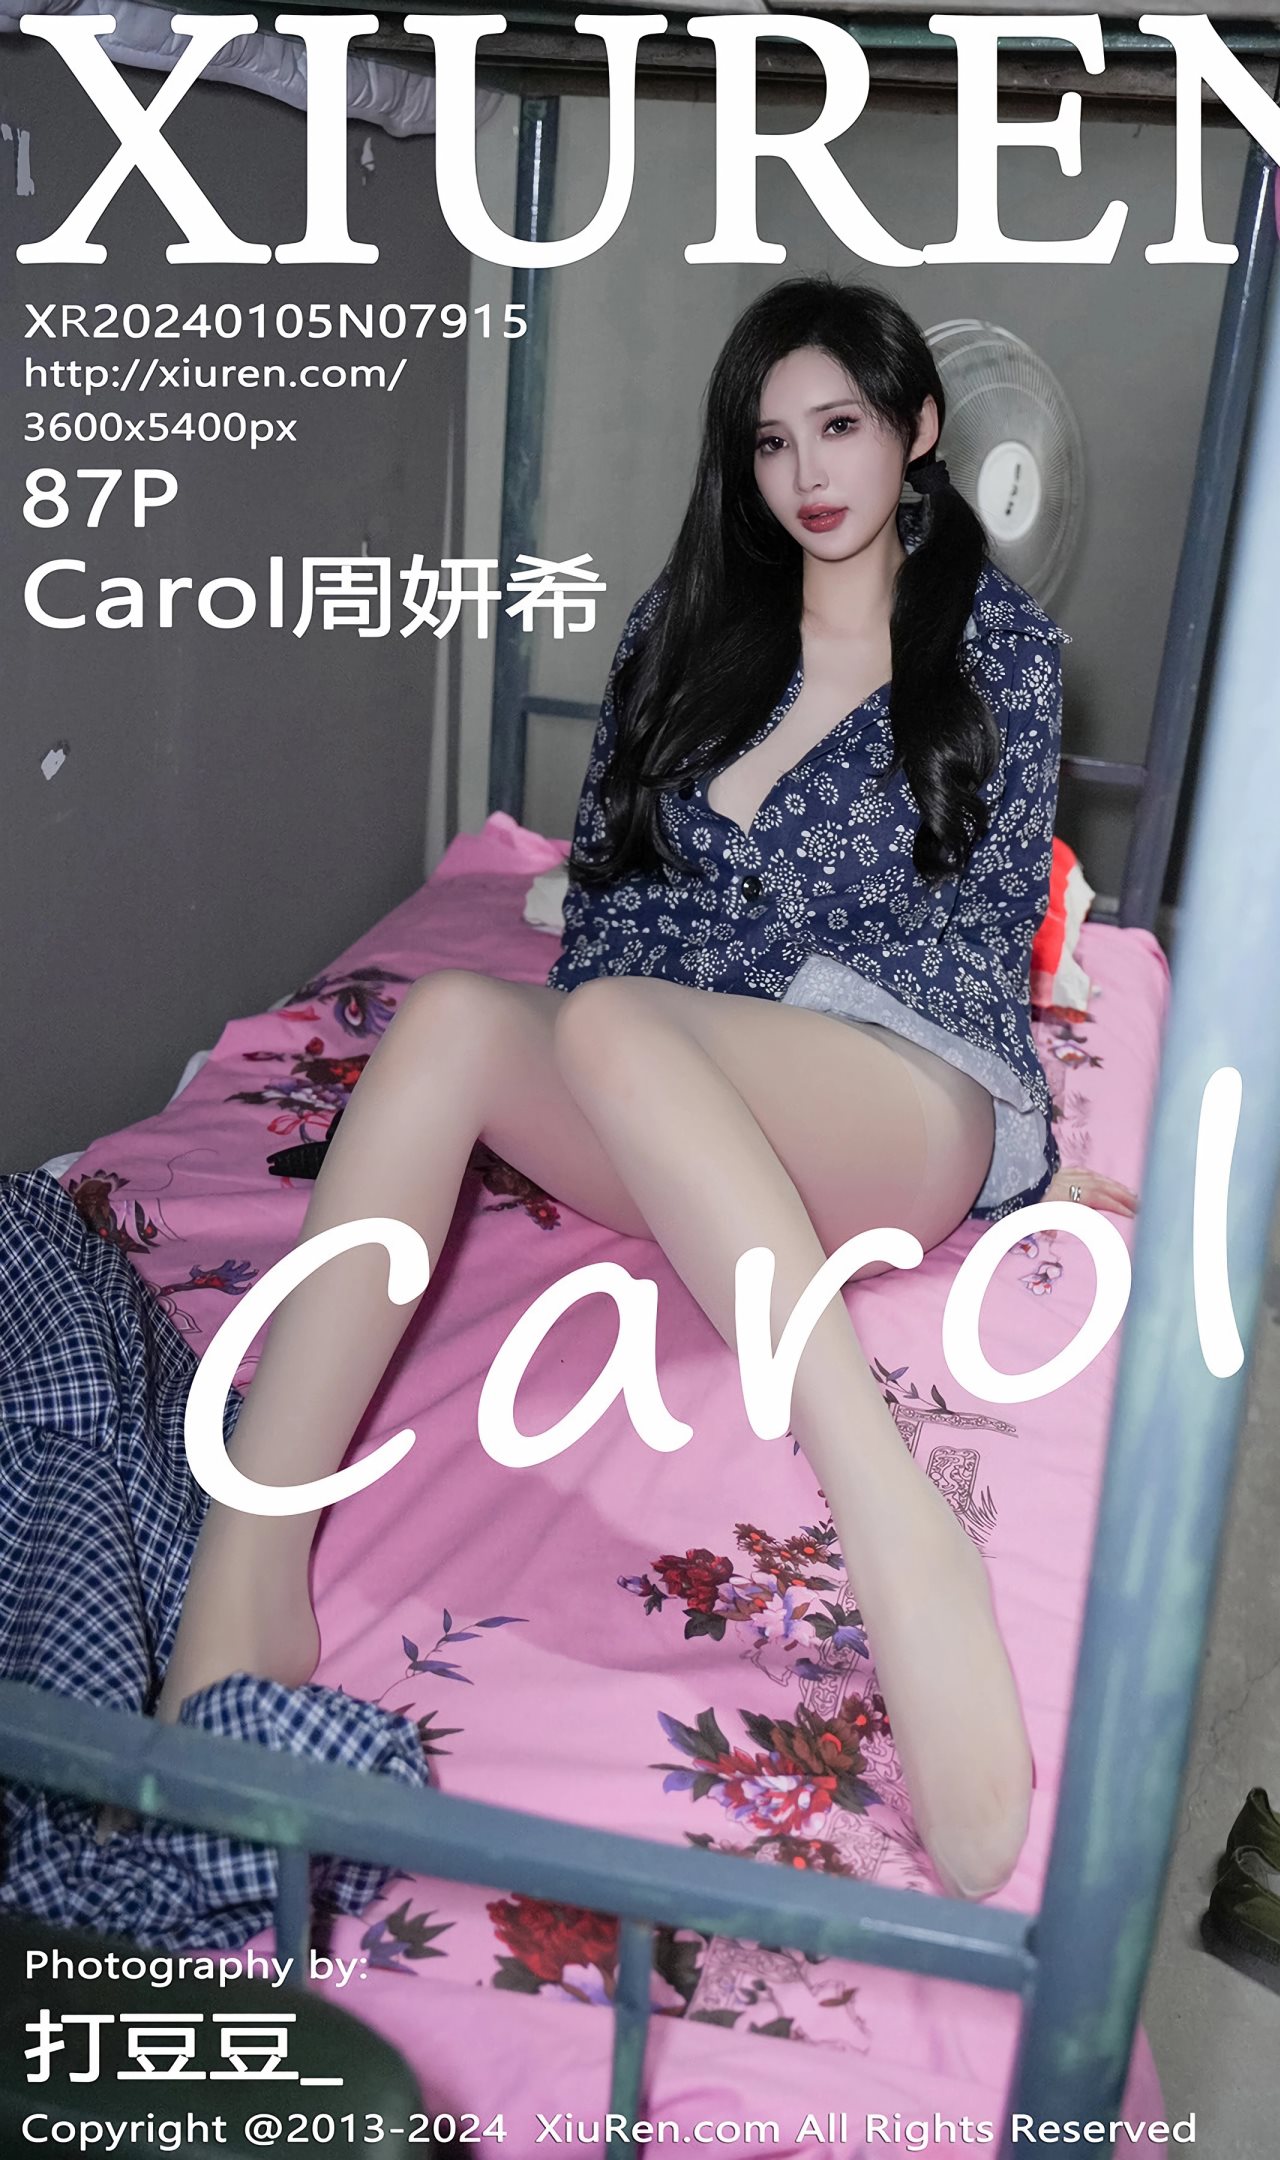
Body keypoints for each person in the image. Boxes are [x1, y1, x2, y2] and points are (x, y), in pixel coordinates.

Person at [152, 277, 1137, 1901]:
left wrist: (1018, 1170)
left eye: (841, 427)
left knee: (613, 1023)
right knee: (453, 1022)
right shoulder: (686, 630)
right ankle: (247, 1572)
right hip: (676, 1089)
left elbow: (971, 940)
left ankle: (900, 1531)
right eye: (772, 441)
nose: (807, 473)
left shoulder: (1000, 654)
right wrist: (637, 1024)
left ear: (920, 430)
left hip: (899, 1090)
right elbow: (608, 887)